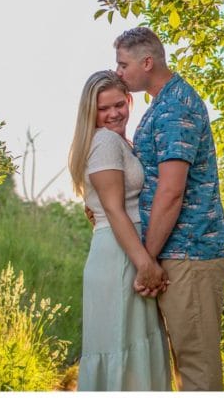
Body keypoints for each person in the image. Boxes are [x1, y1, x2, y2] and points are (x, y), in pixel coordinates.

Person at [114, 27, 224, 392]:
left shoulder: (176, 106)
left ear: (146, 62)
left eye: (123, 64)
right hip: (175, 252)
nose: (118, 72)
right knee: (185, 364)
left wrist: (147, 260)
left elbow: (171, 192)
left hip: (189, 253)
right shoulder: (162, 104)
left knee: (197, 368)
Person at [68, 70, 171, 391]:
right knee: (122, 348)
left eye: (119, 104)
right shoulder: (104, 141)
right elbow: (113, 208)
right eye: (103, 109)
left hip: (124, 248)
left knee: (131, 344)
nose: (113, 114)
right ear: (91, 112)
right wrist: (145, 263)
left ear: (129, 100)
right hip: (121, 255)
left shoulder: (120, 142)